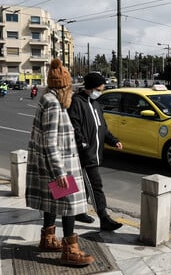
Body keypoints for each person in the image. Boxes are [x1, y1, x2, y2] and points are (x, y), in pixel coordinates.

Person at [25, 58, 94, 267]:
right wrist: (60, 173)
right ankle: (70, 250)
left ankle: (47, 239)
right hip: (60, 166)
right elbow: (50, 142)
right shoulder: (54, 104)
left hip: (51, 165)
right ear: (64, 86)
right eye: (70, 86)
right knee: (69, 207)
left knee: (53, 203)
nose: (72, 91)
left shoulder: (50, 99)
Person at [68, 72, 123, 231]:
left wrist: (113, 140)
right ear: (90, 88)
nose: (102, 91)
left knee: (83, 185)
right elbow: (75, 127)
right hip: (85, 153)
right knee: (95, 185)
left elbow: (102, 128)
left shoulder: (96, 104)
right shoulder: (77, 103)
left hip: (95, 152)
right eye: (99, 88)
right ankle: (104, 218)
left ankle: (78, 212)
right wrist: (83, 146)